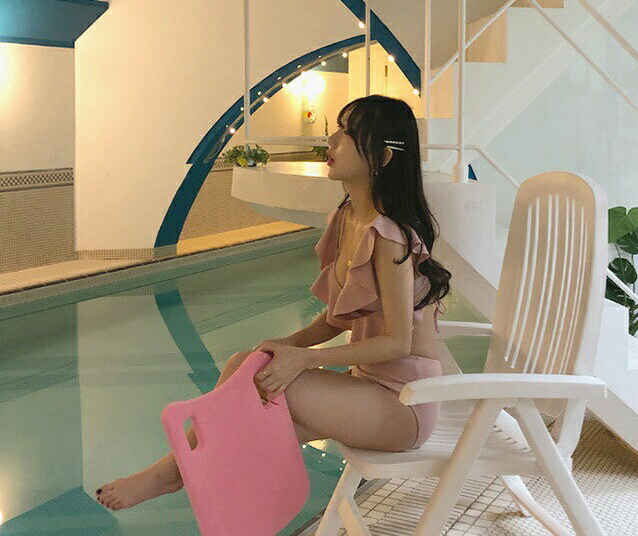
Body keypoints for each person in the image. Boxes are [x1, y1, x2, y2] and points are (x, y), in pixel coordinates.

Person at [96, 94, 451, 511]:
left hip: (405, 405)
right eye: (336, 130)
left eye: (347, 134)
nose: (331, 141)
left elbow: (397, 342)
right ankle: (203, 486)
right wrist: (286, 344)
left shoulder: (390, 238)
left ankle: (171, 476)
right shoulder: (349, 219)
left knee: (259, 388)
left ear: (383, 158)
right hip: (366, 388)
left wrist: (305, 359)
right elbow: (338, 318)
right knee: (245, 368)